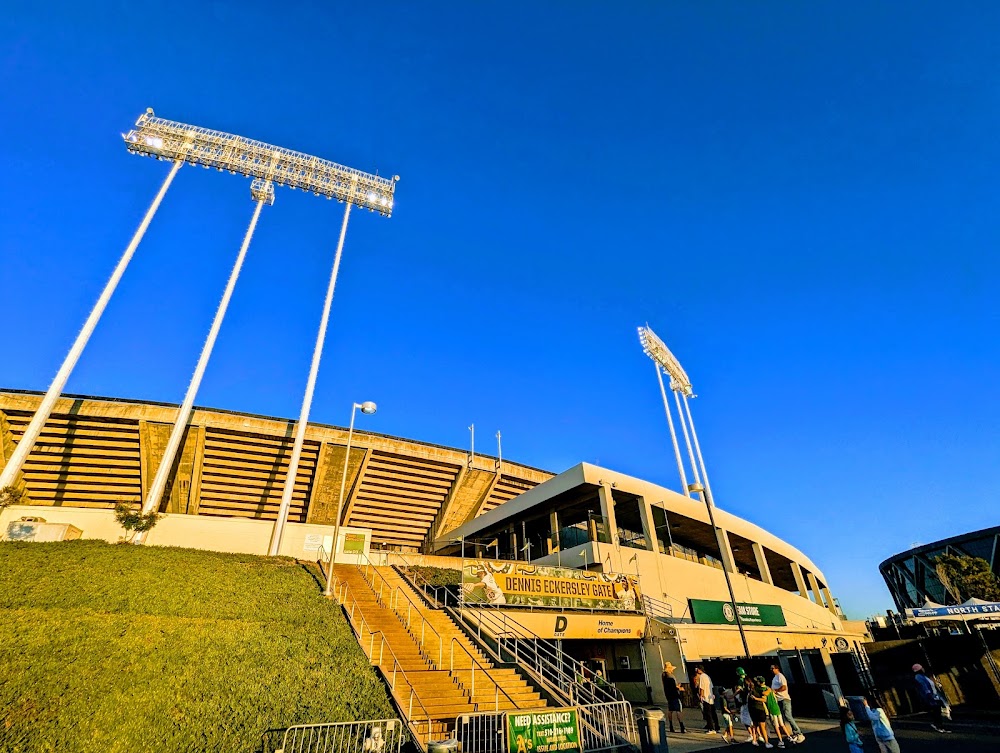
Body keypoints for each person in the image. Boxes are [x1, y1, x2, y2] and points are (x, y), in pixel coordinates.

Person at [771, 664, 805, 743]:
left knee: (788, 715)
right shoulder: (775, 678)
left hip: (784, 699)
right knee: (781, 716)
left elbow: (784, 687)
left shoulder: (780, 676)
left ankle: (798, 732)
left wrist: (776, 691)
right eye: (771, 668)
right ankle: (790, 732)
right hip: (778, 700)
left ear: (777, 669)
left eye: (772, 668)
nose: (771, 670)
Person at [912, 663, 951, 733]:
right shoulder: (918, 677)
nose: (923, 669)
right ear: (919, 670)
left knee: (938, 711)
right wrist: (929, 695)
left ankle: (938, 725)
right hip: (930, 697)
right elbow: (924, 687)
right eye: (922, 668)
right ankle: (939, 726)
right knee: (937, 711)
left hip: (934, 695)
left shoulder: (923, 676)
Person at [693, 666, 720, 734]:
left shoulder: (702, 676)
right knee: (713, 713)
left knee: (708, 713)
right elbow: (711, 686)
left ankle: (711, 728)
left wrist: (701, 695)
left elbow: (702, 687)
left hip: (705, 697)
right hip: (710, 696)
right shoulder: (707, 676)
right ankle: (717, 727)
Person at [661, 662, 686, 733]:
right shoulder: (671, 677)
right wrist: (679, 688)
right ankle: (682, 727)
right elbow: (674, 687)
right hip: (674, 695)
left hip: (668, 695)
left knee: (670, 710)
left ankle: (671, 726)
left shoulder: (663, 676)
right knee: (678, 711)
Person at [762, 680, 788, 749]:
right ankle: (789, 737)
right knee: (782, 724)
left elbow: (764, 698)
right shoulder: (771, 691)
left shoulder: (764, 692)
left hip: (772, 710)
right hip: (777, 708)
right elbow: (775, 699)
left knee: (776, 726)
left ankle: (781, 740)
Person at [748, 676, 772, 748]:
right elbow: (764, 700)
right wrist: (756, 699)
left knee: (755, 725)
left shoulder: (751, 690)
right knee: (762, 726)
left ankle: (755, 740)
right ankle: (766, 742)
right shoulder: (761, 690)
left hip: (752, 709)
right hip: (759, 709)